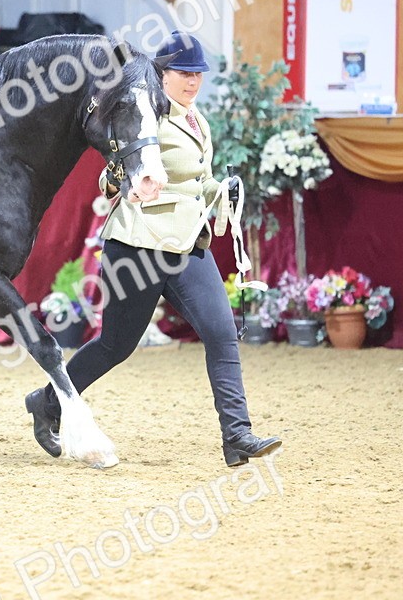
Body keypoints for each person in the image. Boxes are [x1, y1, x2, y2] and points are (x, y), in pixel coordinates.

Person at [23, 30, 282, 468]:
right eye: (183, 73)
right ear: (161, 74)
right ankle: (48, 403)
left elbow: (197, 183)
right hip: (138, 246)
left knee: (220, 334)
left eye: (197, 74)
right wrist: (123, 181)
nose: (192, 82)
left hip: (187, 245)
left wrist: (224, 189)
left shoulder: (198, 119)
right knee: (115, 346)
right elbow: (109, 178)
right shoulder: (147, 116)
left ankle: (236, 434)